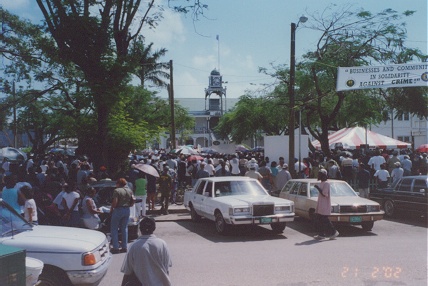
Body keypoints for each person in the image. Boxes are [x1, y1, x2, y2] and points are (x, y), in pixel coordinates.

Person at [121, 217, 172, 286]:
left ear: (140, 229)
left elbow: (127, 272)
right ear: (154, 228)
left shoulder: (134, 246)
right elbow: (166, 268)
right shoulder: (162, 244)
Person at [110, 178, 134, 254]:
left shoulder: (117, 191)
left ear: (118, 184)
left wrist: (112, 208)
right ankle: (124, 247)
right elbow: (133, 200)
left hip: (118, 210)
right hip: (127, 209)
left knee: (114, 228)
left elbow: (115, 202)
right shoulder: (129, 191)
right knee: (124, 228)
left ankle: (116, 247)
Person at [313, 169, 338, 240]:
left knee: (324, 220)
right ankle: (322, 234)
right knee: (320, 220)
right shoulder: (322, 183)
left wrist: (317, 188)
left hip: (325, 205)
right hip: (321, 204)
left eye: (319, 174)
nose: (318, 176)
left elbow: (324, 194)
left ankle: (333, 232)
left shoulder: (326, 183)